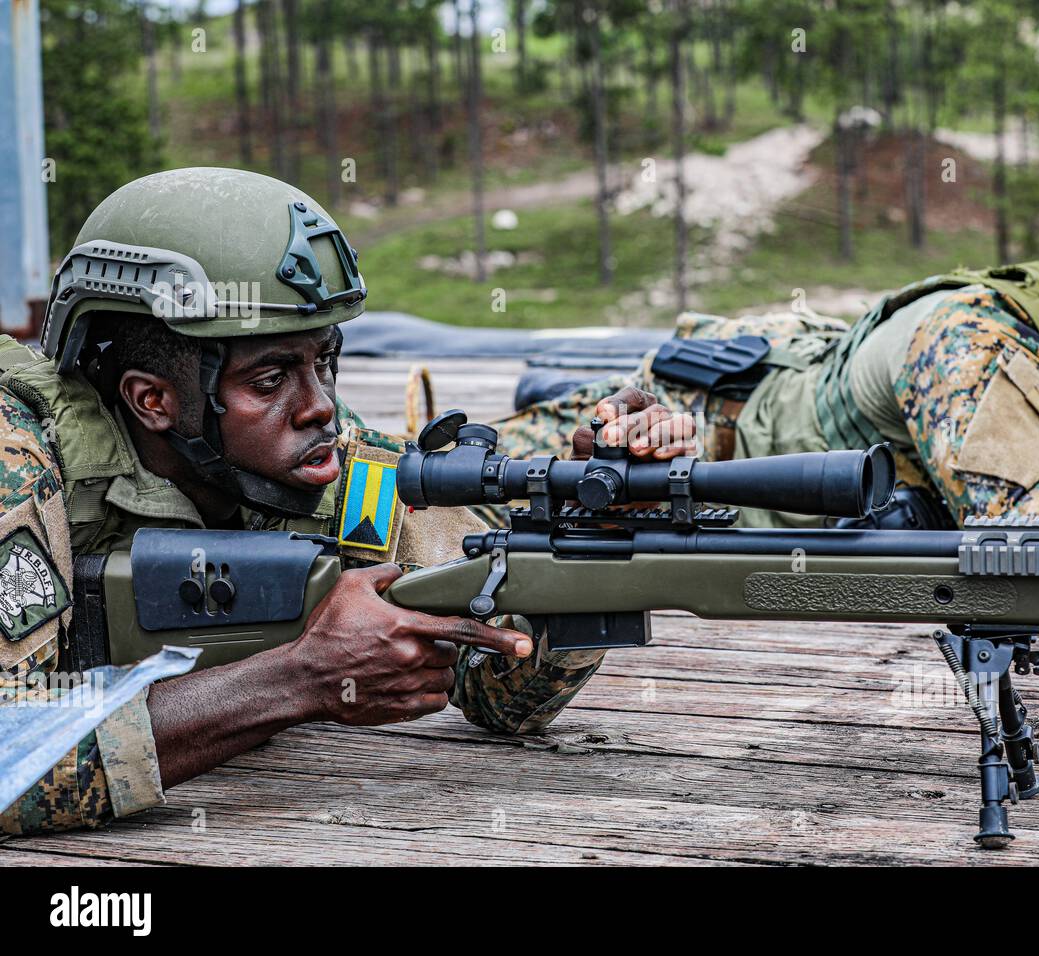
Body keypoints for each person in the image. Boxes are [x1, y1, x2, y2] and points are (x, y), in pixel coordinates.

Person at [0, 167, 688, 835]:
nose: (320, 406)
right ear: (153, 400)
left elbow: (498, 687)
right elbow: (9, 755)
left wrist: (580, 536)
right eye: (272, 379)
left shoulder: (324, 457)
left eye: (323, 361)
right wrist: (299, 680)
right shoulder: (19, 470)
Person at [492, 163, 1039, 588]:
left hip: (795, 362)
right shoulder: (973, 344)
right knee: (445, 476)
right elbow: (1033, 541)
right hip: (698, 422)